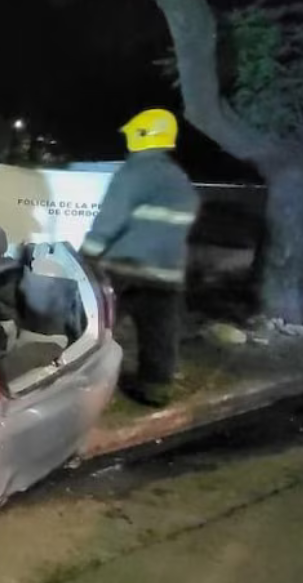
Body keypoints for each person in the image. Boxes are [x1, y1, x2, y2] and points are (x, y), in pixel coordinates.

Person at [80, 108, 200, 408]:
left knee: (95, 327)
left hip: (126, 269)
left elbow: (110, 218)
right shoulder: (178, 177)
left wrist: (87, 254)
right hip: (167, 273)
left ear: (143, 135)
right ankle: (156, 388)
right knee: (159, 333)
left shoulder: (134, 172)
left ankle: (83, 386)